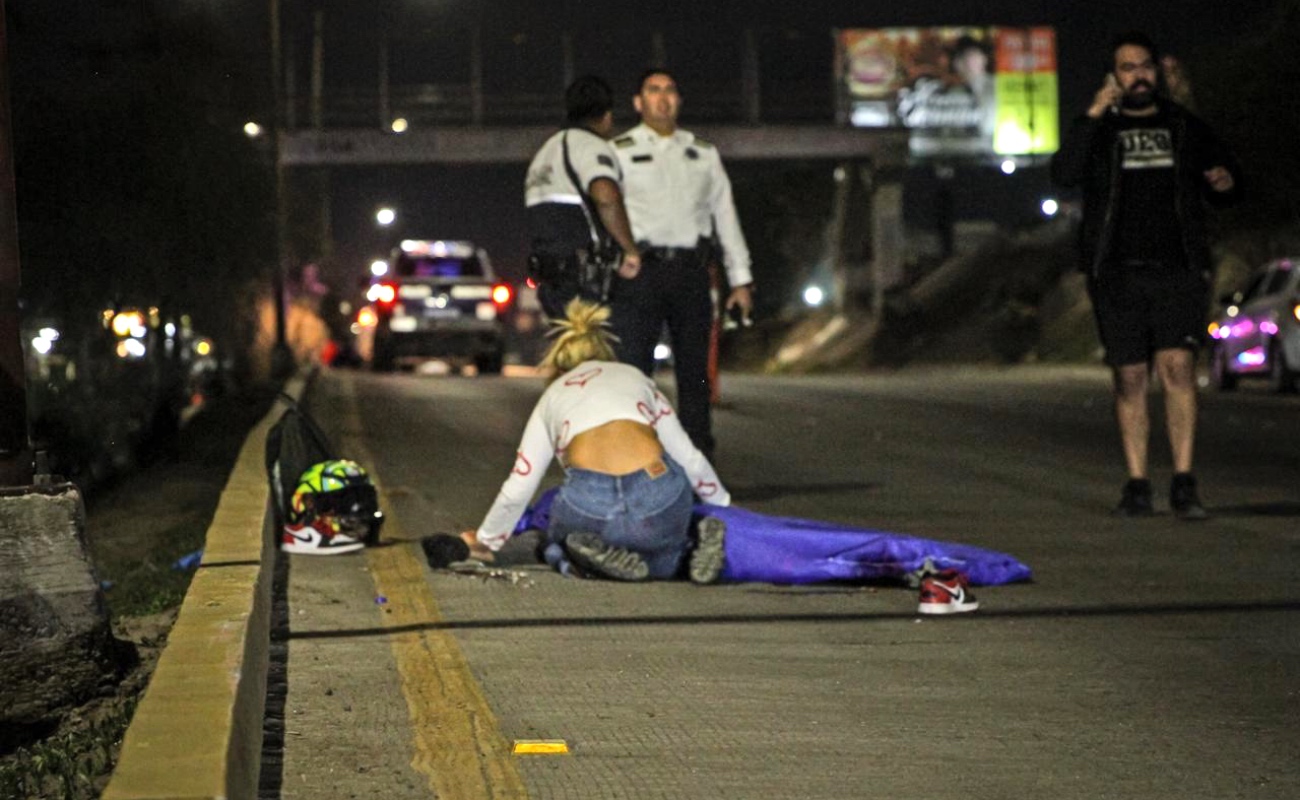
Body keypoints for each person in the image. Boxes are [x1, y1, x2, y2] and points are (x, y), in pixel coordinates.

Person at [1050, 32, 1241, 520]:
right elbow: (1064, 173)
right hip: (1116, 272)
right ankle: (1137, 484)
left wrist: (1223, 181)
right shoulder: (1102, 130)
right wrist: (1094, 112)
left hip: (1177, 268)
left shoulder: (1181, 125)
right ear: (1114, 77)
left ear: (1156, 72)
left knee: (1178, 368)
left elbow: (1225, 180)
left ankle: (1184, 481)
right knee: (1130, 376)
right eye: (1127, 67)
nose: (1138, 75)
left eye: (1145, 66)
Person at [459, 297, 731, 583]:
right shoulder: (634, 377)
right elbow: (690, 459)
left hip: (590, 505)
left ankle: (580, 560)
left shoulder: (553, 396)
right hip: (656, 490)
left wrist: (486, 541)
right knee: (665, 540)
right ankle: (686, 551)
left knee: (553, 540)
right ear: (604, 355)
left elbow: (520, 485)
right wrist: (726, 511)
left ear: (559, 367)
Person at [609, 68, 755, 459]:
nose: (663, 98)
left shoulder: (703, 153)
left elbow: (725, 216)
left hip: (691, 272)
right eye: (653, 90)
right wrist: (613, 258)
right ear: (638, 102)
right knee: (634, 372)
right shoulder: (618, 151)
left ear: (679, 100)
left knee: (695, 374)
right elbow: (604, 210)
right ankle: (634, 460)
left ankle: (698, 461)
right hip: (640, 273)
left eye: (670, 90)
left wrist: (741, 280)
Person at [524, 76, 642, 319]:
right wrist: (629, 249)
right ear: (607, 116)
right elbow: (606, 197)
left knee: (569, 343)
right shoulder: (589, 146)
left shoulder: (544, 154)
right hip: (585, 283)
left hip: (551, 283)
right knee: (600, 343)